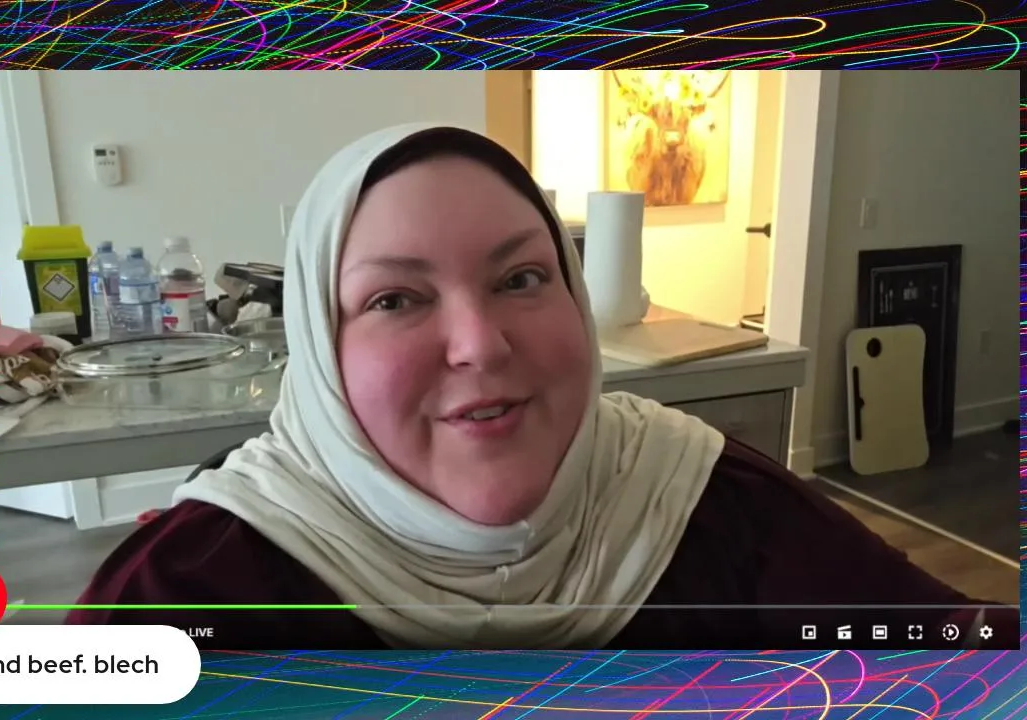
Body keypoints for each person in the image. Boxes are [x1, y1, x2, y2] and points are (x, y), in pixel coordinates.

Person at [67, 124, 1013, 649]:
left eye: (522, 278)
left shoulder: (710, 502)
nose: (480, 344)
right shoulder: (190, 594)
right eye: (395, 298)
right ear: (320, 347)